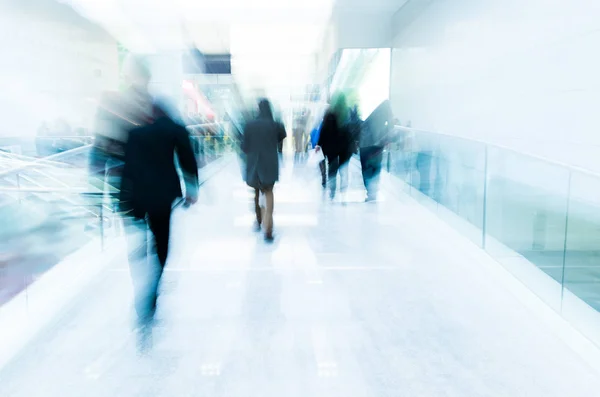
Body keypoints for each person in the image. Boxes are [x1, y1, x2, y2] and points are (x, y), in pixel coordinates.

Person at [120, 99, 199, 323]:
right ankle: (154, 280)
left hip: (136, 196)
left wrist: (122, 200)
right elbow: (187, 159)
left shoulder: (135, 134)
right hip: (162, 196)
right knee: (162, 241)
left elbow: (126, 168)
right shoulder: (174, 130)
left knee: (140, 236)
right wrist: (191, 188)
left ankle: (143, 259)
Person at [89, 55, 153, 203]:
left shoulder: (114, 105)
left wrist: (94, 199)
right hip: (135, 181)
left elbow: (98, 155)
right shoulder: (153, 107)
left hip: (129, 180)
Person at [242, 99, 286, 242]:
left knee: (256, 193)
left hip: (254, 164)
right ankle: (268, 227)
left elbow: (244, 147)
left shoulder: (250, 125)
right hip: (270, 164)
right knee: (268, 192)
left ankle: (259, 220)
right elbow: (282, 137)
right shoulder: (275, 125)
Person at [317, 93, 351, 200]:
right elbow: (351, 129)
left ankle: (332, 193)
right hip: (344, 146)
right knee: (344, 169)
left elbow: (324, 129)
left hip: (331, 147)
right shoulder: (347, 112)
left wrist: (319, 143)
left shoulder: (329, 113)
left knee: (332, 170)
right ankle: (343, 191)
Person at [359, 100, 394, 201]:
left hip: (365, 145)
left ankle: (370, 191)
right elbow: (391, 126)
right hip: (377, 145)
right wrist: (386, 139)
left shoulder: (372, 115)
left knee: (366, 168)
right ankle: (372, 192)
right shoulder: (386, 112)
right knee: (376, 167)